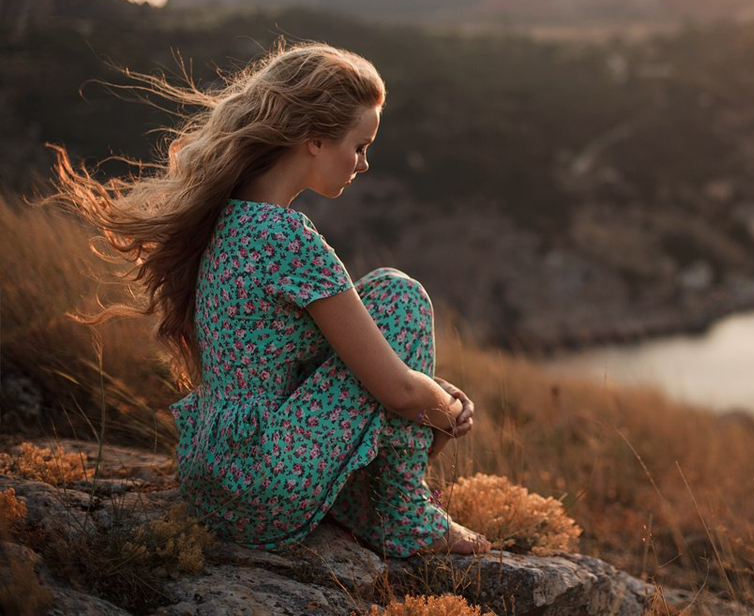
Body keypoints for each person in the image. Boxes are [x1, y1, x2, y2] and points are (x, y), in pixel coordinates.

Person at [51, 42, 490, 557]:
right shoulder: (286, 238)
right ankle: (406, 517)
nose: (364, 163)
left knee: (387, 316)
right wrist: (446, 409)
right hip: (264, 479)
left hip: (212, 478)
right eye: (359, 145)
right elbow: (396, 392)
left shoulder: (224, 219)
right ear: (315, 139)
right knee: (400, 296)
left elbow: (329, 360)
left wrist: (424, 393)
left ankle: (384, 505)